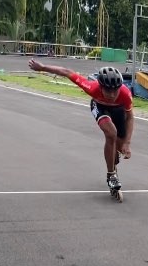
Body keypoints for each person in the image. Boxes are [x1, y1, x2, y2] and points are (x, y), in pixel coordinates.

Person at [28, 59, 134, 191]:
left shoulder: (125, 94)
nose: (112, 94)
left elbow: (130, 118)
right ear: (100, 86)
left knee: (119, 144)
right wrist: (43, 67)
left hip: (119, 109)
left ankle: (114, 154)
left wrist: (127, 143)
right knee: (111, 133)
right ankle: (111, 176)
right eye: (108, 90)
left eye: (115, 90)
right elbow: (67, 72)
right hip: (100, 106)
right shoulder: (91, 87)